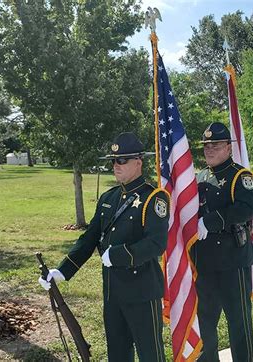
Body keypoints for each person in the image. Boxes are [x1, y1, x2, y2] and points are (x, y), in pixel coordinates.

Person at [38, 133, 169, 362]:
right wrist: (62, 270)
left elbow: (156, 244)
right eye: (113, 161)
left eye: (122, 161)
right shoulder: (109, 197)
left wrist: (119, 255)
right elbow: (89, 238)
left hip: (142, 292)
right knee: (117, 353)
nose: (115, 166)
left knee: (151, 354)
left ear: (138, 162)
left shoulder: (154, 198)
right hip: (113, 292)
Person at [192, 122, 253, 361]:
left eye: (215, 145)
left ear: (229, 148)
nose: (209, 149)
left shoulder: (241, 176)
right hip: (205, 261)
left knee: (238, 320)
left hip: (232, 260)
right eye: (206, 145)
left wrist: (211, 221)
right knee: (206, 319)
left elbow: (245, 209)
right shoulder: (200, 176)